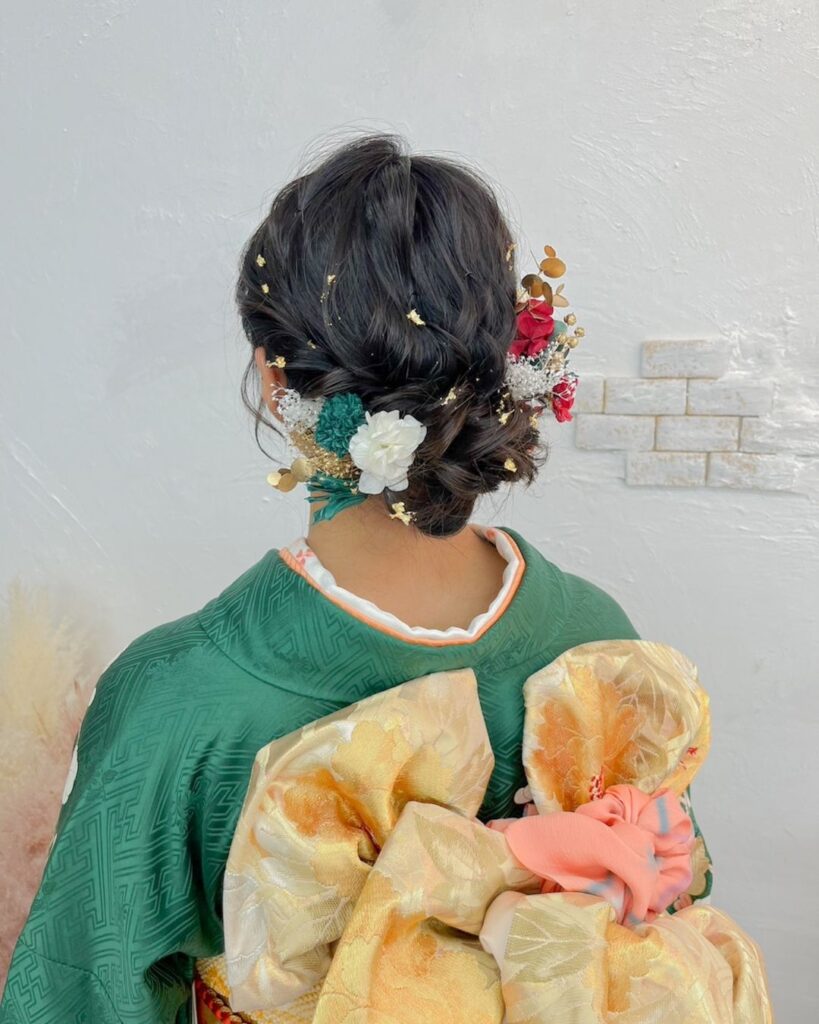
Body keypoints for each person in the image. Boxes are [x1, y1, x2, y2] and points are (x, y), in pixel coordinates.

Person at [3, 134, 757, 1024]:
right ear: (504, 366)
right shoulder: (598, 648)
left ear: (275, 379)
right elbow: (664, 917)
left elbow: (81, 997)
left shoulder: (178, 701)